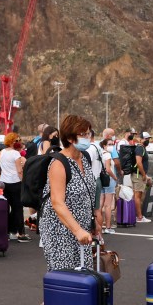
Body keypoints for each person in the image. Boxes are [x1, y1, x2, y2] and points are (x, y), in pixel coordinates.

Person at [40, 115, 103, 274]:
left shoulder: (86, 158)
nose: (87, 138)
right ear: (69, 137)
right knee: (64, 276)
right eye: (82, 134)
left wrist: (93, 221)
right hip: (60, 230)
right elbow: (57, 202)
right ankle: (52, 300)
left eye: (88, 134)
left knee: (83, 276)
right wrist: (77, 230)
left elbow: (88, 193)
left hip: (82, 229)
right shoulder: (59, 163)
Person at [0, 131, 29, 242]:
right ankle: (20, 232)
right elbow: (19, 170)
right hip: (15, 183)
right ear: (12, 142)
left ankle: (7, 231)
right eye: (17, 141)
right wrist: (24, 182)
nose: (19, 142)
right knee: (18, 209)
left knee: (6, 208)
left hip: (4, 183)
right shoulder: (15, 154)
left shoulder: (2, 152)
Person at [97, 137, 118, 234]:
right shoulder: (108, 155)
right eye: (109, 144)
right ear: (104, 145)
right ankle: (108, 227)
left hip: (101, 179)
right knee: (108, 205)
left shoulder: (100, 154)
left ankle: (99, 226)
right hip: (109, 180)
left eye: (112, 144)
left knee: (100, 204)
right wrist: (115, 177)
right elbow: (108, 169)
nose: (111, 146)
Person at [133, 131, 153, 223]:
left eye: (148, 139)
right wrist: (144, 175)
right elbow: (139, 162)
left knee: (139, 195)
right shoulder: (140, 148)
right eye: (146, 139)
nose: (147, 140)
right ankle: (139, 217)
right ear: (140, 139)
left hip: (140, 175)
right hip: (138, 175)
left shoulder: (142, 148)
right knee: (137, 196)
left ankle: (139, 215)